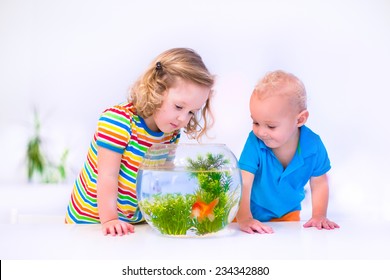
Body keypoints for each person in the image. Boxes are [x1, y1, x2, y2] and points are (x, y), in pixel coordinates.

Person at [65, 48, 215, 236]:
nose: (183, 119)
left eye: (192, 112)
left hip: (131, 224)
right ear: (157, 89)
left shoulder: (170, 133)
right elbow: (107, 176)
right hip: (90, 222)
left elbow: (158, 181)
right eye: (178, 106)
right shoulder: (118, 121)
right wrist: (110, 219)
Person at [236, 70, 339, 234]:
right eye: (255, 122)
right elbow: (244, 181)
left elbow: (319, 182)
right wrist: (244, 218)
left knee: (287, 244)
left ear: (300, 120)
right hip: (249, 208)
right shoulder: (255, 142)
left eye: (270, 126)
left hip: (287, 213)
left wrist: (319, 215)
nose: (261, 132)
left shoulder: (313, 145)